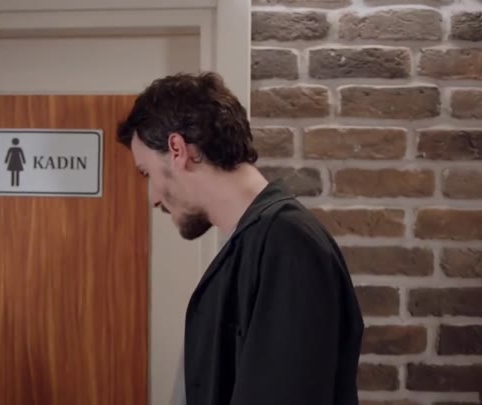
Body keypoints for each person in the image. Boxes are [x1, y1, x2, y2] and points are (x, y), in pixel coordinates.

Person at [116, 72, 364, 405]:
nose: (153, 198)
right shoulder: (257, 243)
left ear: (177, 150)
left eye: (147, 173)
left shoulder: (288, 246)